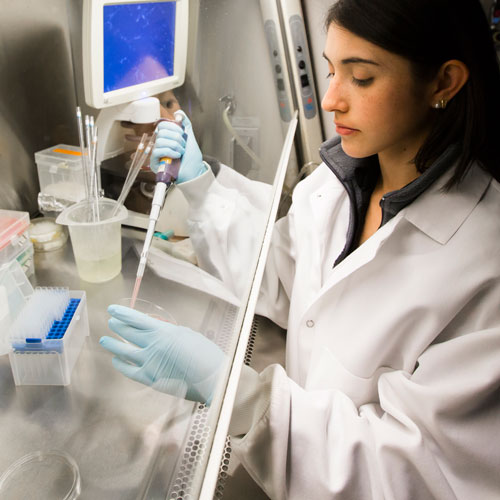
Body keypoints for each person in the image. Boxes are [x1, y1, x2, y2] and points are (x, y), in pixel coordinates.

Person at [99, 0, 500, 497]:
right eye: (331, 71)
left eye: (362, 78)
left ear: (443, 83)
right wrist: (200, 185)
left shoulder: (484, 266)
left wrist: (240, 397)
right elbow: (286, 279)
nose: (331, 99)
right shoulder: (341, 185)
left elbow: (417, 475)